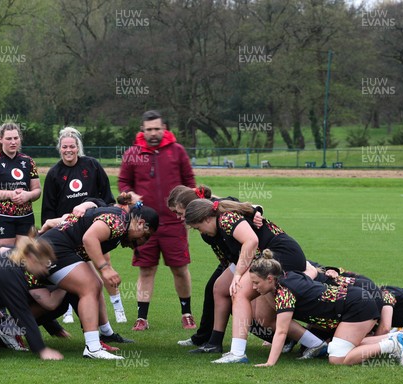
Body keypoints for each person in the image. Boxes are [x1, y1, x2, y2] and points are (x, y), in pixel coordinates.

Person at [183, 198, 322, 363]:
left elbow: (251, 241)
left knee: (239, 291)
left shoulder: (226, 218)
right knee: (221, 288)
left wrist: (238, 275)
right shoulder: (215, 229)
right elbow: (233, 256)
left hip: (281, 254)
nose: (201, 232)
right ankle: (317, 344)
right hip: (260, 256)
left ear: (206, 218)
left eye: (199, 228)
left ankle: (238, 353)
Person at [39, 194, 159, 359]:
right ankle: (93, 348)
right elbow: (89, 238)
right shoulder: (120, 222)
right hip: (54, 251)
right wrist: (105, 268)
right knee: (89, 286)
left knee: (92, 285)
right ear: (140, 224)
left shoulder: (120, 217)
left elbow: (93, 206)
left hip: (56, 249)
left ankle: (103, 336)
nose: (142, 242)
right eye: (146, 236)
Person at [248, 250, 403, 366]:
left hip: (357, 307)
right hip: (354, 302)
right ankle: (399, 336)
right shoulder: (288, 276)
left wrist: (270, 363)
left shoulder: (284, 292)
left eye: (256, 282)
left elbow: (282, 331)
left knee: (338, 358)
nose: (254, 287)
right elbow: (311, 271)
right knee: (336, 347)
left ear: (270, 278)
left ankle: (391, 344)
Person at [118, 110, 197, 331]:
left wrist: (187, 209)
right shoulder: (132, 153)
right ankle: (142, 317)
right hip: (144, 226)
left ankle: (187, 313)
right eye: (149, 129)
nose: (153, 133)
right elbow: (124, 181)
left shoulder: (178, 151)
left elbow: (190, 182)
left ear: (164, 128)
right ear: (142, 130)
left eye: (157, 129)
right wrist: (129, 195)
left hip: (174, 223)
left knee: (180, 268)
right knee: (146, 270)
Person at [41, 127, 126, 324]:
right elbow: (48, 209)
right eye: (64, 147)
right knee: (74, 273)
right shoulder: (54, 173)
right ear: (59, 149)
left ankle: (118, 306)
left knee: (104, 266)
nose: (68, 150)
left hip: (97, 227)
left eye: (72, 146)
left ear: (78, 147)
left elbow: (107, 197)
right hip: (68, 234)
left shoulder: (92, 165)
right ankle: (69, 311)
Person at [167, 185, 263, 349]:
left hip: (251, 256)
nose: (179, 217)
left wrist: (258, 212)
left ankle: (277, 336)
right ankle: (209, 339)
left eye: (179, 212)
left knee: (246, 300)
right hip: (232, 258)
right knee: (216, 288)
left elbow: (249, 207)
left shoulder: (220, 210)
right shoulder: (206, 216)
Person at [0, 122, 41, 253]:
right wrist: (11, 194)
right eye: (9, 138)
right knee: (4, 263)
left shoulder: (28, 161)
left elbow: (37, 190)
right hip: (0, 217)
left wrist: (27, 195)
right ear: (0, 139)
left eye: (16, 138)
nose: (13, 142)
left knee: (26, 261)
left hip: (26, 217)